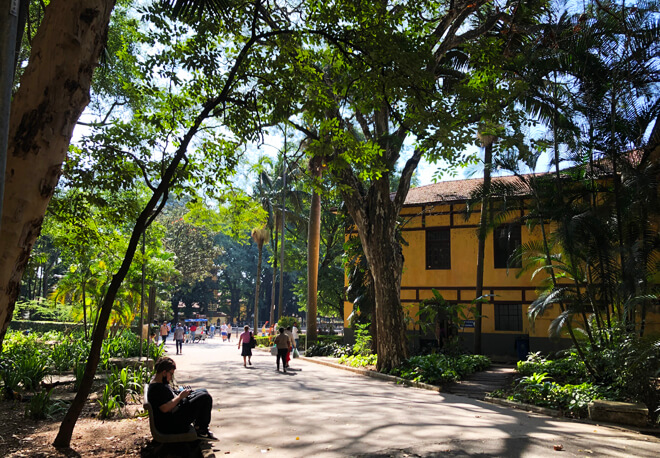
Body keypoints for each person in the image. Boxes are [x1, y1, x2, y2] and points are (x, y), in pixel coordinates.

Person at [147, 357, 216, 439]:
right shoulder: (157, 388)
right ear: (164, 372)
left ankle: (199, 426)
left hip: (175, 412)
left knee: (203, 391)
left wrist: (180, 394)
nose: (171, 377)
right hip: (171, 424)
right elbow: (164, 408)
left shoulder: (159, 381)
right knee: (205, 397)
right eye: (171, 374)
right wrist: (180, 397)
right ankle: (202, 430)